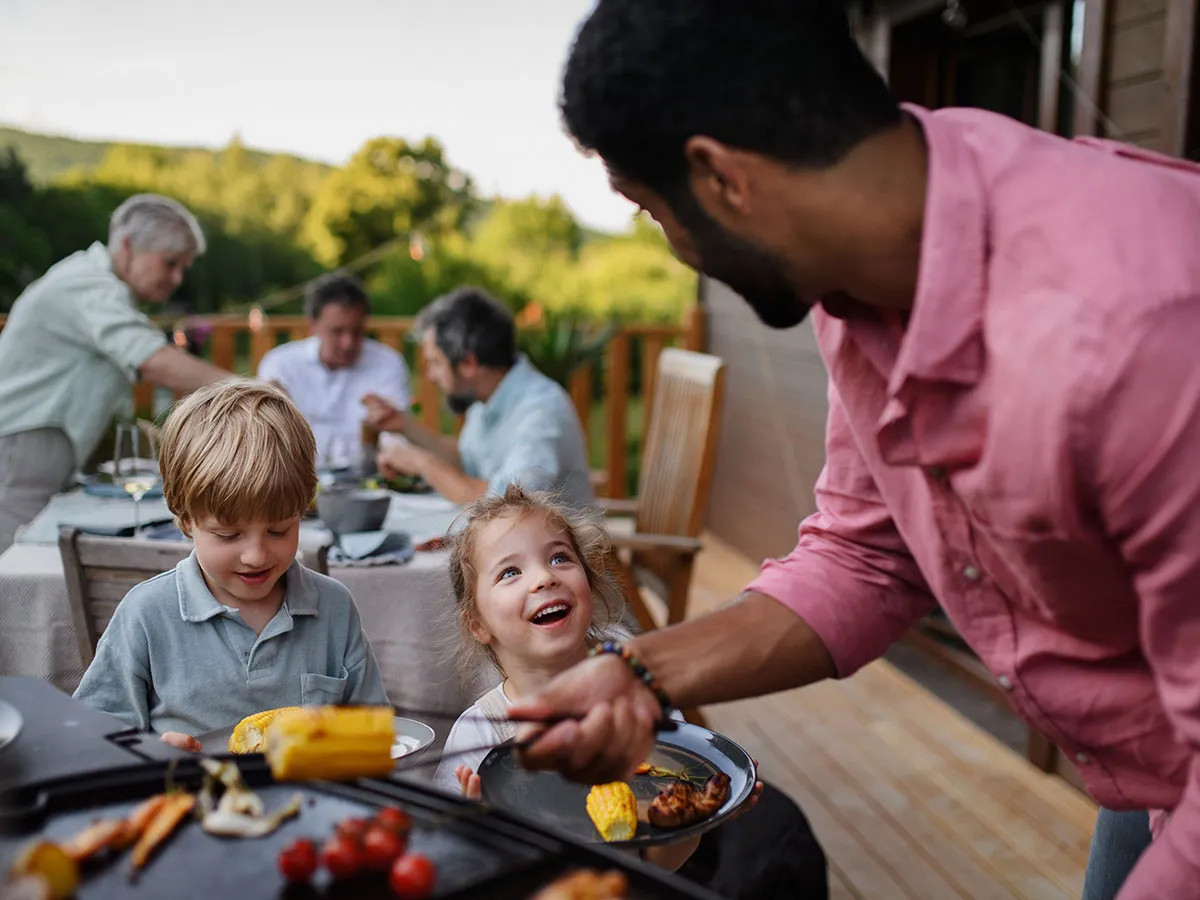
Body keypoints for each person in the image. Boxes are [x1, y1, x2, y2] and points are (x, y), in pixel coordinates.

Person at [509, 3, 1200, 899]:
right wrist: (639, 673)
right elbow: (867, 555)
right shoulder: (860, 280)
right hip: (1153, 762)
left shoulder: (1142, 331)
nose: (673, 248)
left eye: (650, 211)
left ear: (720, 178)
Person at [432, 484, 762, 874]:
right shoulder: (479, 732)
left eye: (559, 558)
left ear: (589, 581)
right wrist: (479, 832)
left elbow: (661, 861)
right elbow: (453, 862)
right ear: (478, 623)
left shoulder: (637, 697)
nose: (543, 578)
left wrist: (693, 817)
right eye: (510, 572)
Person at [73, 380, 389, 749]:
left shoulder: (333, 607)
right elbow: (91, 741)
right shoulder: (146, 614)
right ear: (185, 519)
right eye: (227, 535)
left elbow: (374, 735)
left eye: (278, 530)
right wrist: (149, 755)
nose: (256, 555)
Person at [0, 193, 233, 553]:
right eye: (170, 263)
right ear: (127, 246)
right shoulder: (89, 285)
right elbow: (151, 359)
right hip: (20, 449)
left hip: (33, 446)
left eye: (183, 267)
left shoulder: (95, 284)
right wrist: (250, 389)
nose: (177, 277)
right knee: (16, 562)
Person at [363, 287, 593, 508]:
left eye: (436, 363)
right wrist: (406, 426)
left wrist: (422, 463)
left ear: (469, 363)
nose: (431, 377)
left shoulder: (541, 411)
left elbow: (505, 503)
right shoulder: (488, 397)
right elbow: (466, 461)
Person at [257, 271, 410, 469]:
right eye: (337, 331)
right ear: (312, 325)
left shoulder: (387, 363)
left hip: (370, 482)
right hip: (294, 482)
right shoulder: (281, 365)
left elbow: (397, 439)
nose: (348, 343)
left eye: (357, 331)